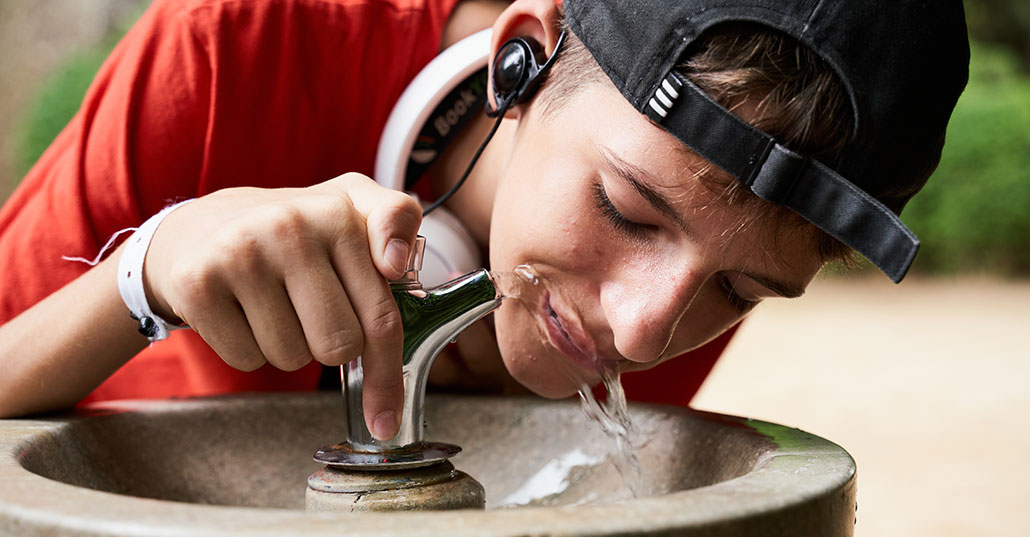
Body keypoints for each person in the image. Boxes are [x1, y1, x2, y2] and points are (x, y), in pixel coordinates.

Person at [0, 0, 969, 440]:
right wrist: (142, 276)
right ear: (523, 59)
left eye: (741, 290)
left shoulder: (672, 267)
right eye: (626, 211)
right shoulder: (232, 52)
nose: (644, 331)